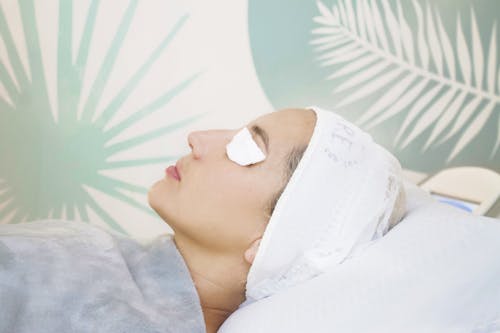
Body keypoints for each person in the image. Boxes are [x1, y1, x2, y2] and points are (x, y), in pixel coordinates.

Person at [0, 106, 406, 333]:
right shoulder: (80, 264)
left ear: (272, 242)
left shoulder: (91, 295)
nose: (198, 138)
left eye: (245, 146)